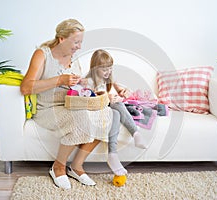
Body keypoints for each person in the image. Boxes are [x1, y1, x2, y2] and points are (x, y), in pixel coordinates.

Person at [20, 19, 113, 189]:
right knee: (80, 118)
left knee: (106, 115)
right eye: (76, 42)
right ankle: (58, 167)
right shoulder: (42, 55)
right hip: (48, 109)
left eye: (80, 42)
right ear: (62, 39)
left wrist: (83, 83)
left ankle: (76, 166)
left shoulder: (73, 56)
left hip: (73, 103)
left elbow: (73, 84)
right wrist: (59, 80)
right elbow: (26, 87)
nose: (79, 46)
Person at [84, 49, 147, 176]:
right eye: (104, 69)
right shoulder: (89, 81)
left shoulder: (108, 78)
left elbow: (120, 90)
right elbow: (90, 99)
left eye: (110, 68)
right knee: (117, 105)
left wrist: (123, 92)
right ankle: (135, 133)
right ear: (95, 68)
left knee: (116, 113)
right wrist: (108, 97)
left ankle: (112, 154)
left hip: (107, 108)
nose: (108, 72)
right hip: (95, 108)